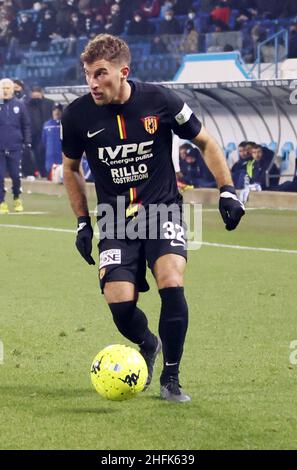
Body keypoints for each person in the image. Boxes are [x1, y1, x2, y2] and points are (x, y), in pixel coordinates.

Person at [62, 34, 245, 402]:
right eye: (87, 75)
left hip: (163, 211)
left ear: (123, 71)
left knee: (171, 279)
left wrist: (227, 189)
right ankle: (148, 343)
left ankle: (171, 378)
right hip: (114, 221)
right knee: (120, 304)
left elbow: (205, 141)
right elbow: (70, 169)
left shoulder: (161, 101)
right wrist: (83, 222)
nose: (92, 83)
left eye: (100, 74)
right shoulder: (77, 115)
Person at [0, 78, 31, 214]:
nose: (5, 90)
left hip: (15, 146)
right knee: (0, 176)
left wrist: (27, 141)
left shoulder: (20, 105)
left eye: (8, 88)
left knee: (15, 175)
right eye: (3, 88)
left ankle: (17, 197)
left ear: (13, 90)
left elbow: (26, 125)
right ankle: (1, 202)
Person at [26, 85, 54, 177]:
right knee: (36, 155)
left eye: (37, 96)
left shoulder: (49, 103)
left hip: (47, 133)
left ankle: (47, 172)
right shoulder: (27, 104)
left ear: (42, 94)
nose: (35, 99)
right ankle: (38, 172)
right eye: (34, 96)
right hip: (33, 134)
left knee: (46, 154)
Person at [42, 103, 63, 177]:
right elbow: (43, 141)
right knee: (50, 177)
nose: (56, 112)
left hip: (61, 158)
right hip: (50, 158)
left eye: (59, 110)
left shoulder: (65, 124)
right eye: (54, 110)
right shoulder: (46, 125)